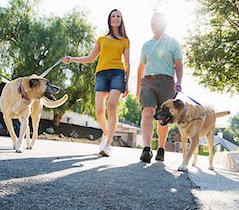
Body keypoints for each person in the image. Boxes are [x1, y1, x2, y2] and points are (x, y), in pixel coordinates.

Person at [62, 9, 129, 157]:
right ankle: (106, 133)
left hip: (117, 74)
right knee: (99, 111)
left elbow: (128, 64)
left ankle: (108, 144)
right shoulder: (101, 39)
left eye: (118, 16)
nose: (116, 19)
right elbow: (90, 58)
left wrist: (127, 82)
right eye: (113, 16)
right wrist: (72, 58)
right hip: (101, 74)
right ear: (109, 20)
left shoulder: (125, 41)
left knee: (111, 106)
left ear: (121, 20)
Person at [136, 12, 183, 163]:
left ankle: (161, 148)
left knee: (163, 117)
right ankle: (147, 149)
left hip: (167, 82)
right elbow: (141, 67)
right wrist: (138, 88)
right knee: (148, 112)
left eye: (156, 22)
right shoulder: (146, 45)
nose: (153, 25)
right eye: (152, 22)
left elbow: (179, 65)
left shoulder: (173, 43)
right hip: (148, 82)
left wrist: (179, 82)